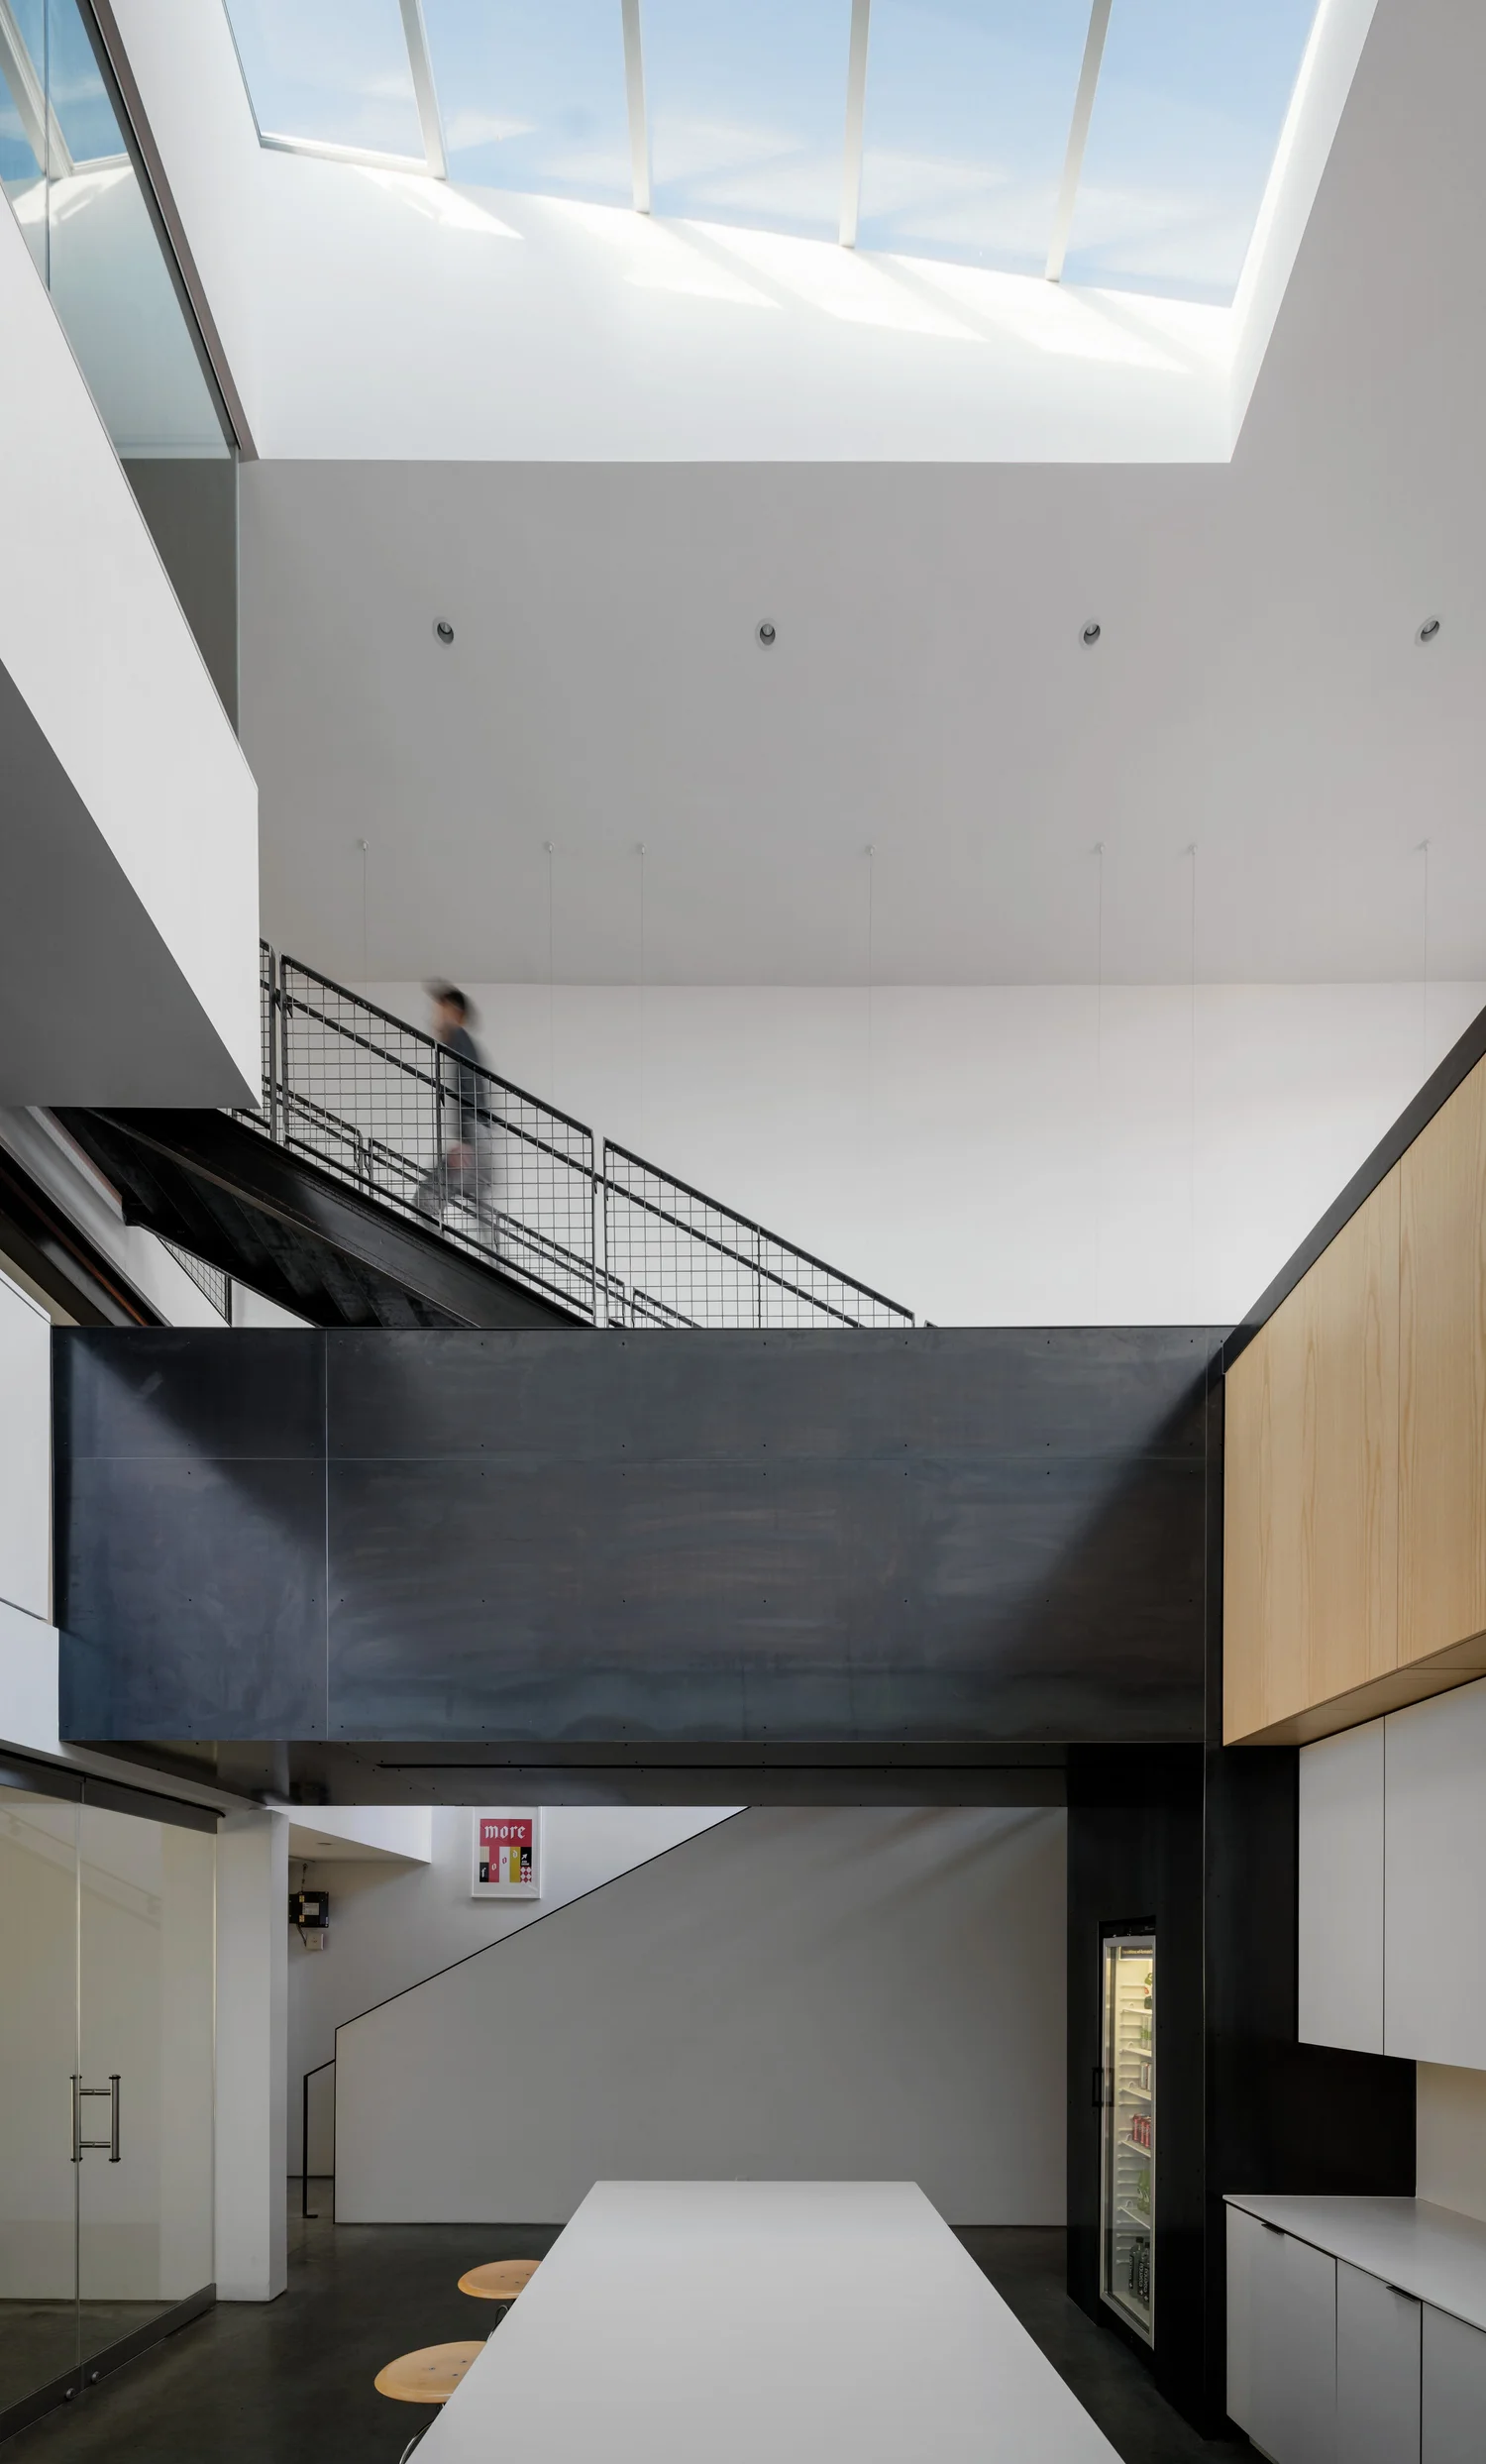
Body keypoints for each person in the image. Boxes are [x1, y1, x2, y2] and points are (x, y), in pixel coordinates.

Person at [416, 985, 496, 1238]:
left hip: (475, 1139)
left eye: (438, 1012)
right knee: (481, 1212)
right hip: (479, 1138)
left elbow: (470, 1088)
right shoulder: (462, 1044)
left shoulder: (460, 1040)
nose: (434, 1020)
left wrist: (467, 1143)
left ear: (452, 1011)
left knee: (425, 1201)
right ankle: (493, 1261)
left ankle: (443, 1256)